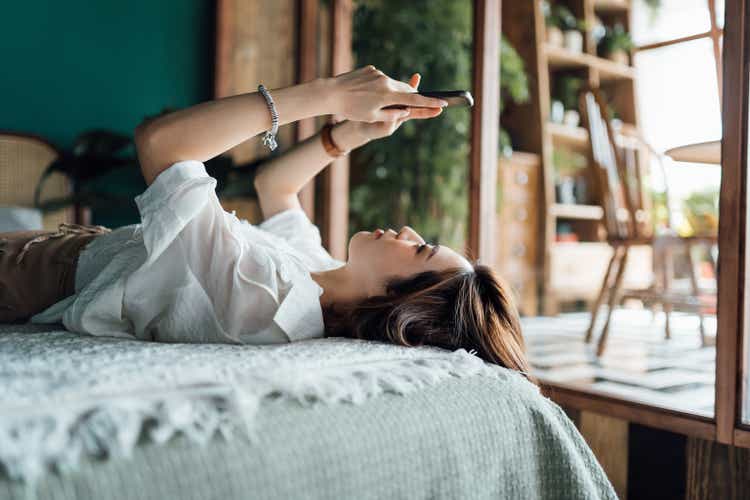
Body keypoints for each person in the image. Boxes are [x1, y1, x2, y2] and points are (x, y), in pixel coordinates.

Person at [0, 66, 531, 375]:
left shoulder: (271, 296)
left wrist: (327, 94)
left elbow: (160, 143)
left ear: (400, 301)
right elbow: (274, 187)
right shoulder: (315, 277)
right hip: (71, 249)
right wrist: (352, 133)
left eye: (420, 250)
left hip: (41, 273)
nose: (409, 232)